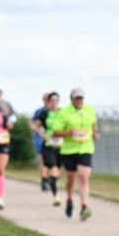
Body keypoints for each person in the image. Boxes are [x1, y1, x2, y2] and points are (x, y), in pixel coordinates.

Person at [51, 88, 98, 221]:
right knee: (71, 179)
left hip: (86, 147)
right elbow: (55, 132)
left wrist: (95, 133)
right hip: (69, 150)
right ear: (72, 100)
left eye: (81, 98)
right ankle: (70, 199)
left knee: (84, 177)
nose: (79, 101)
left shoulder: (90, 110)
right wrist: (69, 133)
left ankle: (84, 206)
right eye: (76, 98)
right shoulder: (63, 113)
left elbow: (94, 125)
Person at [36, 92, 63, 206]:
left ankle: (53, 183)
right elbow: (37, 126)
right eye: (52, 100)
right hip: (48, 145)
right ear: (48, 102)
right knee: (53, 169)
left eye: (56, 100)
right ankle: (56, 195)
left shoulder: (63, 113)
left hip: (61, 146)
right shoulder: (44, 113)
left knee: (58, 170)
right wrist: (43, 134)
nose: (54, 102)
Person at [32, 93, 50, 191]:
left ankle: (51, 178)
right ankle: (44, 180)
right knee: (44, 159)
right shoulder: (39, 112)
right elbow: (33, 125)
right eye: (46, 99)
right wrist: (39, 131)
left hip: (54, 139)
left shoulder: (57, 111)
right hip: (41, 138)